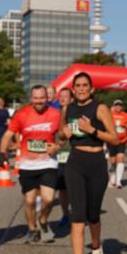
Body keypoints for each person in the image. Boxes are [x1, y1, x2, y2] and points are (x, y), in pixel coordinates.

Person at [61, 72, 118, 254]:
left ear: (91, 89)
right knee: (77, 215)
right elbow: (60, 134)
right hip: (75, 162)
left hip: (96, 164)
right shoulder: (68, 109)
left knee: (93, 214)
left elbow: (115, 137)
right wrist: (62, 135)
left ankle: (96, 246)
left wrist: (91, 129)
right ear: (73, 89)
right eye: (78, 86)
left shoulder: (100, 108)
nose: (81, 88)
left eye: (85, 85)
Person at [0, 85, 63, 244]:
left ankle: (43, 220)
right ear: (31, 99)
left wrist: (58, 146)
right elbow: (8, 134)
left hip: (48, 163)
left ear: (47, 98)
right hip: (27, 165)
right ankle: (32, 229)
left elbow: (64, 134)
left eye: (42, 98)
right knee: (29, 201)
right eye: (36, 98)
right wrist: (2, 153)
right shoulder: (22, 114)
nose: (39, 101)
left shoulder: (56, 114)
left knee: (48, 199)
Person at [54, 87, 73, 229]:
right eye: (61, 96)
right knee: (62, 189)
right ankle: (65, 214)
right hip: (59, 156)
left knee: (76, 188)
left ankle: (79, 214)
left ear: (72, 99)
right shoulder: (54, 114)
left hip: (74, 155)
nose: (63, 98)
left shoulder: (75, 114)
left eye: (66, 96)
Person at [108, 99, 127, 189]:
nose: (118, 107)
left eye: (120, 105)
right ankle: (113, 176)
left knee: (120, 159)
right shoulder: (110, 114)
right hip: (112, 140)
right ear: (114, 106)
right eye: (117, 105)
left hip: (122, 140)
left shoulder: (125, 115)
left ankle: (119, 181)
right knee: (113, 161)